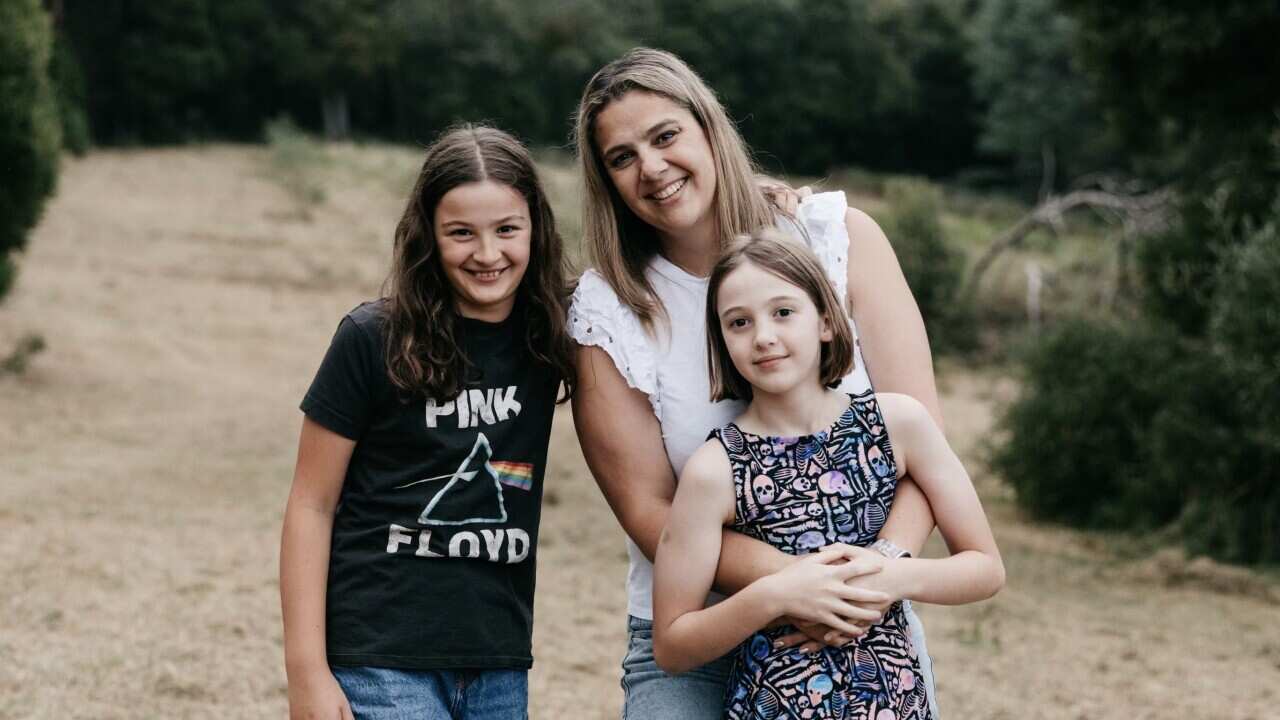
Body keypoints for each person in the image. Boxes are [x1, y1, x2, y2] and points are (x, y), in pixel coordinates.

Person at [568, 47, 948, 717]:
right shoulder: (608, 311)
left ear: (708, 127)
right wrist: (794, 584)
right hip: (699, 636)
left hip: (859, 624)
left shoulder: (837, 239)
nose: (652, 168)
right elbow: (651, 513)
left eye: (665, 136)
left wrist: (875, 574)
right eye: (622, 158)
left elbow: (921, 446)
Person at [279, 124, 575, 719]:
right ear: (428, 237)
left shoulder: (557, 329)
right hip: (378, 656)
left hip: (498, 658)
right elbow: (311, 505)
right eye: (461, 233)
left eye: (507, 230)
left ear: (536, 230)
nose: (488, 254)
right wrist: (306, 672)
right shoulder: (372, 338)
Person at [651, 231, 1005, 719]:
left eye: (783, 312)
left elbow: (985, 568)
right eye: (739, 322)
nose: (764, 336)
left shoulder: (898, 422)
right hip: (774, 705)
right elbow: (672, 645)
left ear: (824, 320)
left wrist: (889, 577)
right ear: (722, 341)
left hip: (892, 700)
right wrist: (777, 593)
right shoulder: (715, 470)